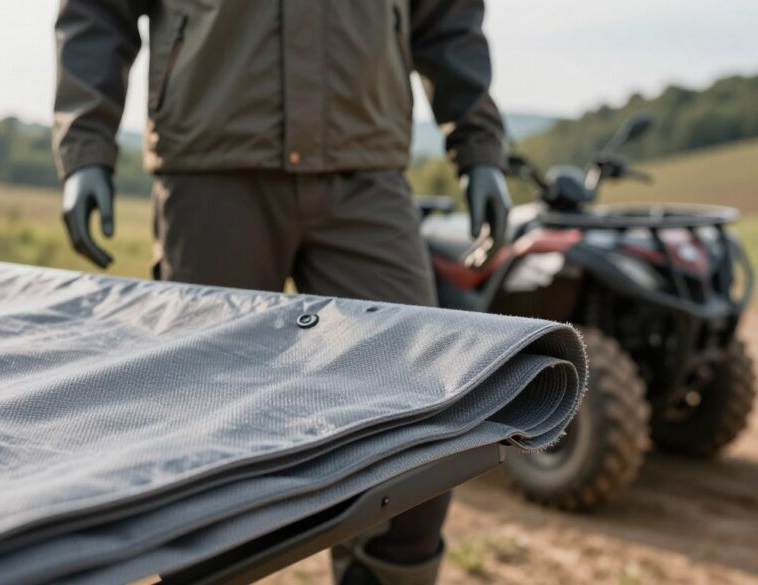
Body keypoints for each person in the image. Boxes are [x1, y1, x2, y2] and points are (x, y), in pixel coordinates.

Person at [53, 1, 511, 583]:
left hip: (365, 173)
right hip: (213, 170)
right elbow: (96, 10)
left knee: (422, 422)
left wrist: (479, 150)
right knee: (204, 439)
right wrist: (85, 149)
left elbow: (448, 18)